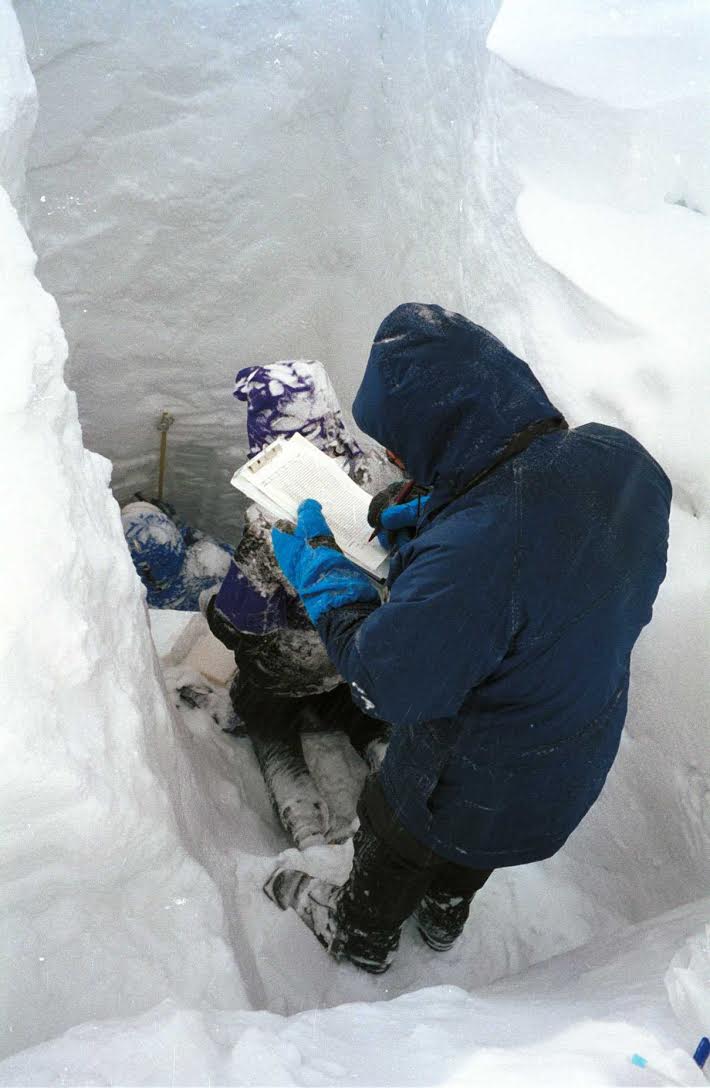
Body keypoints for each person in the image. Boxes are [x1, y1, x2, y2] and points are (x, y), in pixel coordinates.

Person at [263, 302, 672, 974]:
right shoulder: (615, 458)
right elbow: (551, 551)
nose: (392, 456)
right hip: (569, 752)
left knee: (396, 840)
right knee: (467, 855)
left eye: (397, 441)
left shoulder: (482, 552)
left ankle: (359, 933)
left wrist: (325, 578)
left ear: (442, 427)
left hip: (464, 774)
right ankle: (445, 914)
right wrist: (442, 512)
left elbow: (382, 682)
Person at [204, 360, 398, 847]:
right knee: (353, 702)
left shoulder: (272, 523)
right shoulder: (379, 472)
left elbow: (239, 624)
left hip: (293, 665)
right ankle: (382, 748)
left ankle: (300, 809)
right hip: (360, 645)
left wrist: (212, 611)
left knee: (263, 707)